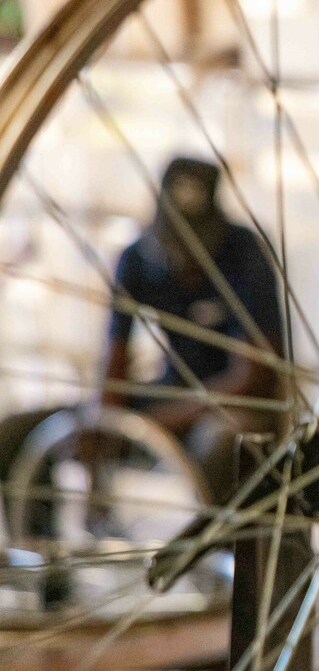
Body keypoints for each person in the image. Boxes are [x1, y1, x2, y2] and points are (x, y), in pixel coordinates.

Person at [99, 156, 283, 500]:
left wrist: (170, 419)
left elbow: (254, 375)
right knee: (36, 431)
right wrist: (103, 425)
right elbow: (115, 364)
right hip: (174, 389)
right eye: (174, 243)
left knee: (219, 442)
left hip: (239, 402)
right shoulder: (136, 258)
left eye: (194, 244)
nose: (183, 256)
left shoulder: (246, 254)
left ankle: (212, 549)